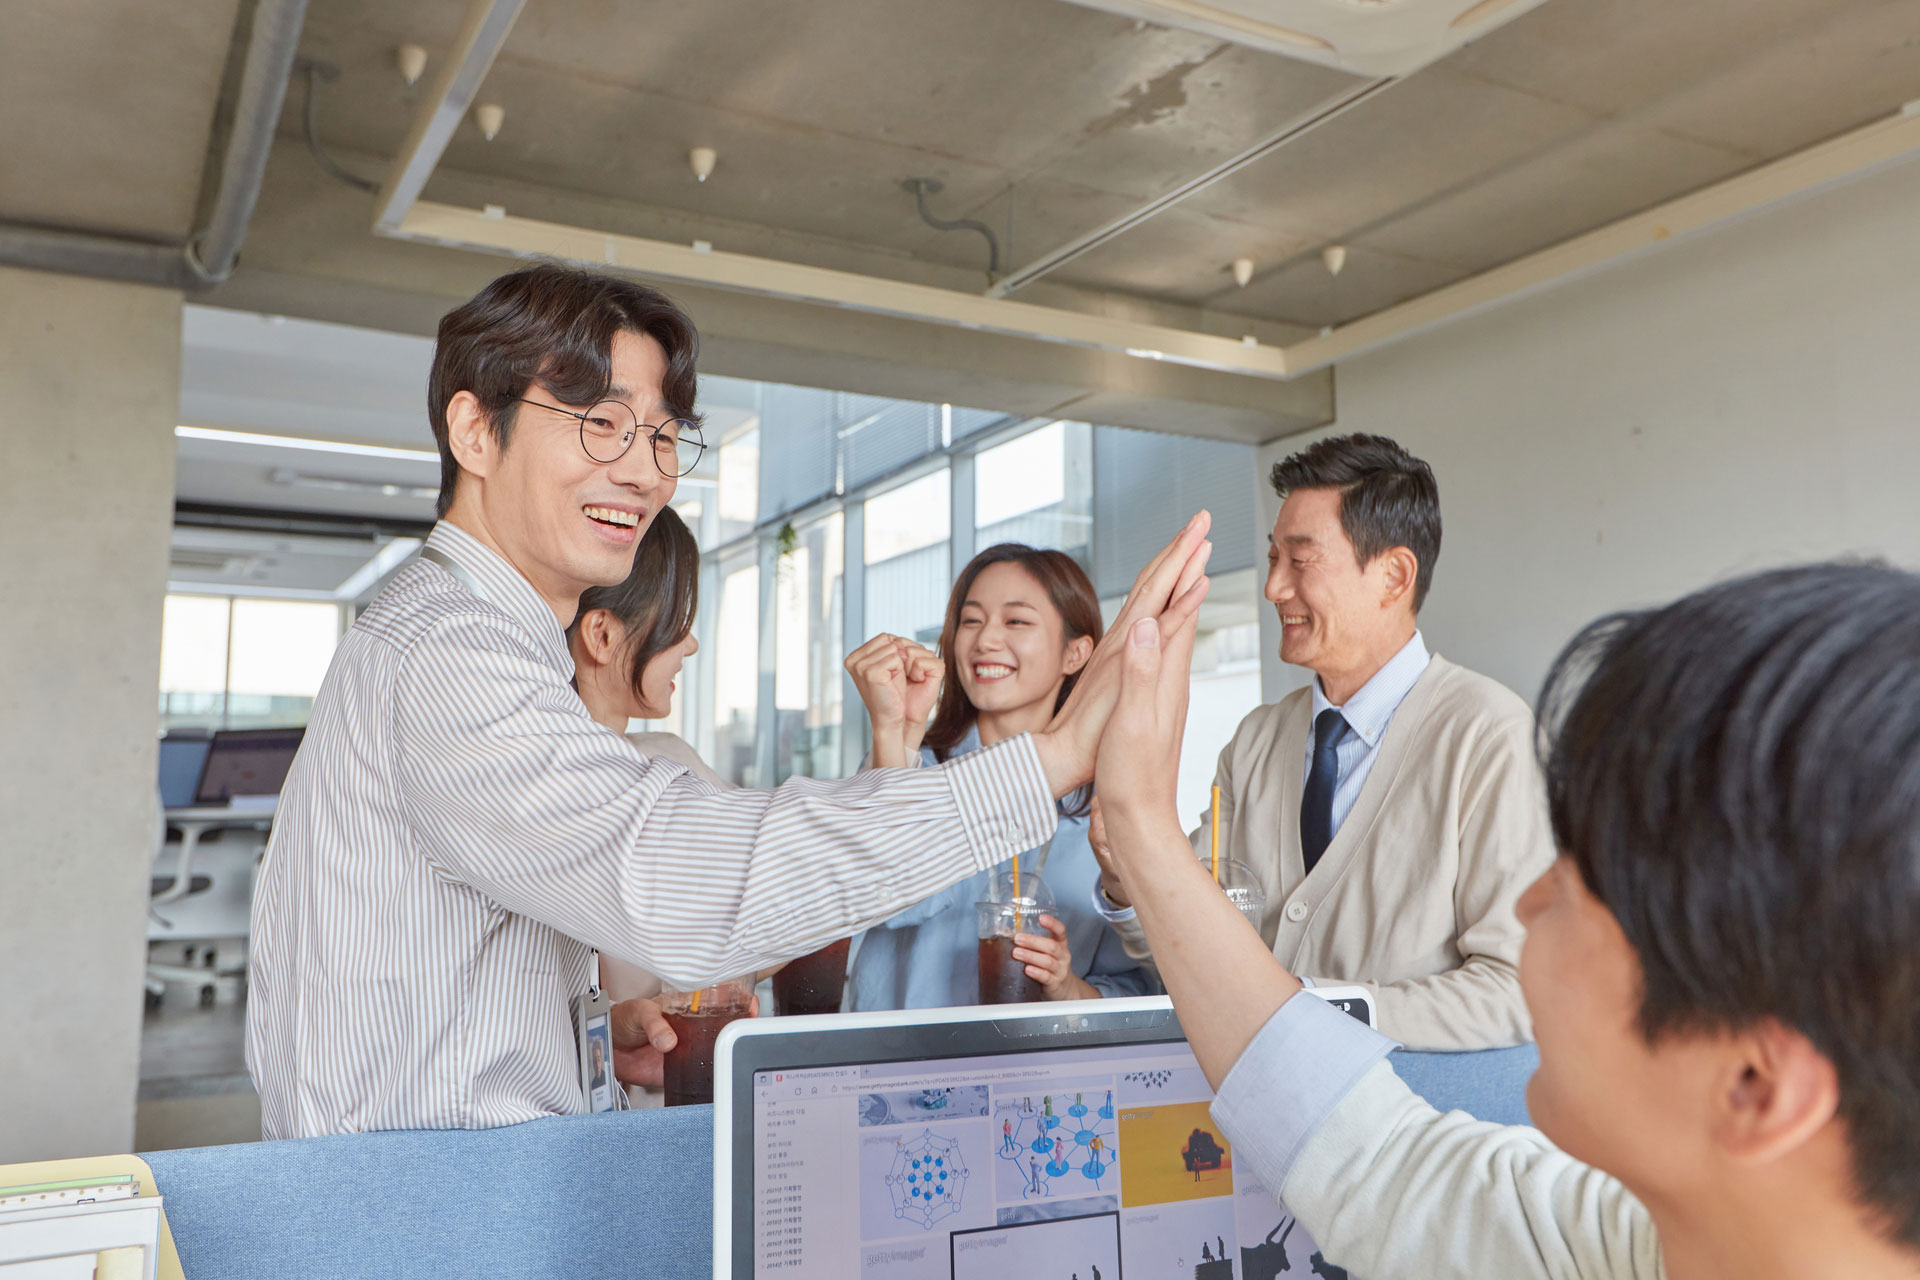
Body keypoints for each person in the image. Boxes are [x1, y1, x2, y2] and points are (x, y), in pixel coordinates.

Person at [246, 262, 1215, 1138]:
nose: (645, 469)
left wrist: (583, 1035)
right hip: (419, 1215)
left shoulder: (473, 636)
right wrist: (1051, 759)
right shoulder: (452, 650)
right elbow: (679, 883)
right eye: (601, 422)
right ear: (474, 431)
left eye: (665, 435)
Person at [1093, 562, 1920, 1278]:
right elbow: (1370, 1161)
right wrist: (1138, 821)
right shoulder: (1635, 1240)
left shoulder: (1482, 728)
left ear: (1754, 1087)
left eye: (1589, 875)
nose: (1529, 899)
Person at [1091, 433, 1552, 1050]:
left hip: (1406, 1110)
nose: (1273, 587)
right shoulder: (1255, 742)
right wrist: (1126, 875)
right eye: (1272, 558)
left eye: (1301, 561)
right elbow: (1189, 945)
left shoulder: (1490, 738)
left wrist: (1308, 1010)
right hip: (1251, 1110)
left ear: (1394, 575)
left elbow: (1518, 991)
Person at [844, 545, 1158, 1009]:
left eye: (1016, 621)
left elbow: (1140, 987)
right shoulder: (905, 764)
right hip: (894, 1054)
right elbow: (883, 899)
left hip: (1041, 1058)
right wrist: (892, 734)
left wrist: (1066, 987)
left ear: (1075, 653)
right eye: (971, 620)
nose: (985, 639)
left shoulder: (1106, 805)